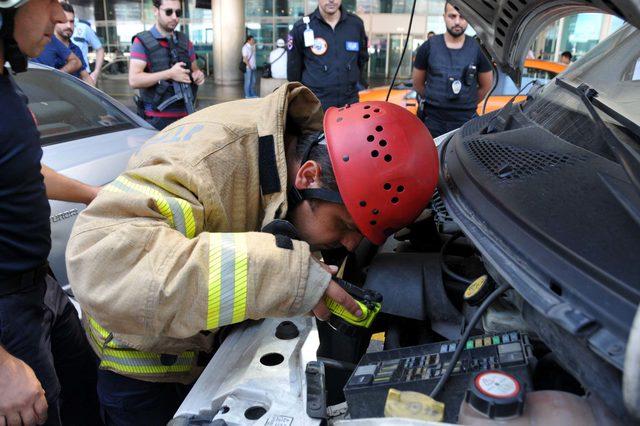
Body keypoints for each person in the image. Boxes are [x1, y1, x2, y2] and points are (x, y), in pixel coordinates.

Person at [65, 84, 440, 425]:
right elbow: (103, 266)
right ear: (308, 177)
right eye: (345, 226)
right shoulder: (208, 166)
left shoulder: (278, 152)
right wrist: (283, 276)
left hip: (201, 352)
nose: (349, 245)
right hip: (143, 375)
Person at [0, 1, 103, 425]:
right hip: (6, 311)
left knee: (85, 392)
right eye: (46, 3)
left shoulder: (6, 80)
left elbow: (22, 167)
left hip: (40, 287)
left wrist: (91, 194)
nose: (61, 19)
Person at [412, 2, 493, 138]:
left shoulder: (478, 49)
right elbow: (418, 84)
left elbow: (486, 86)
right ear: (444, 17)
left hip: (465, 122)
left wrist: (465, 103)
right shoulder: (428, 47)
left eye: (462, 17)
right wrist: (436, 98)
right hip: (433, 122)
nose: (457, 21)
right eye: (452, 16)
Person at [129, 0, 205, 130]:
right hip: (156, 123)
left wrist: (198, 75)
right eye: (169, 12)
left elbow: (194, 69)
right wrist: (169, 74)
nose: (175, 17)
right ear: (156, 10)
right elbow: (134, 80)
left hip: (186, 118)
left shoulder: (185, 41)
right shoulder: (141, 42)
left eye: (178, 12)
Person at [287, 0, 369, 110]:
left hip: (350, 103)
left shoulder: (356, 24)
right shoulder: (301, 28)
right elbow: (293, 71)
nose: (331, 0)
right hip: (315, 105)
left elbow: (362, 59)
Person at [51, 2, 94, 85]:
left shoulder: (76, 49)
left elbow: (86, 77)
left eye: (71, 21)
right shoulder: (45, 45)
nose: (69, 26)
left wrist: (97, 96)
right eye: (64, 21)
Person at [68, 4, 104, 83]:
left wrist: (96, 72)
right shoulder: (55, 27)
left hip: (83, 75)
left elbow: (99, 49)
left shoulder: (84, 27)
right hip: (64, 74)